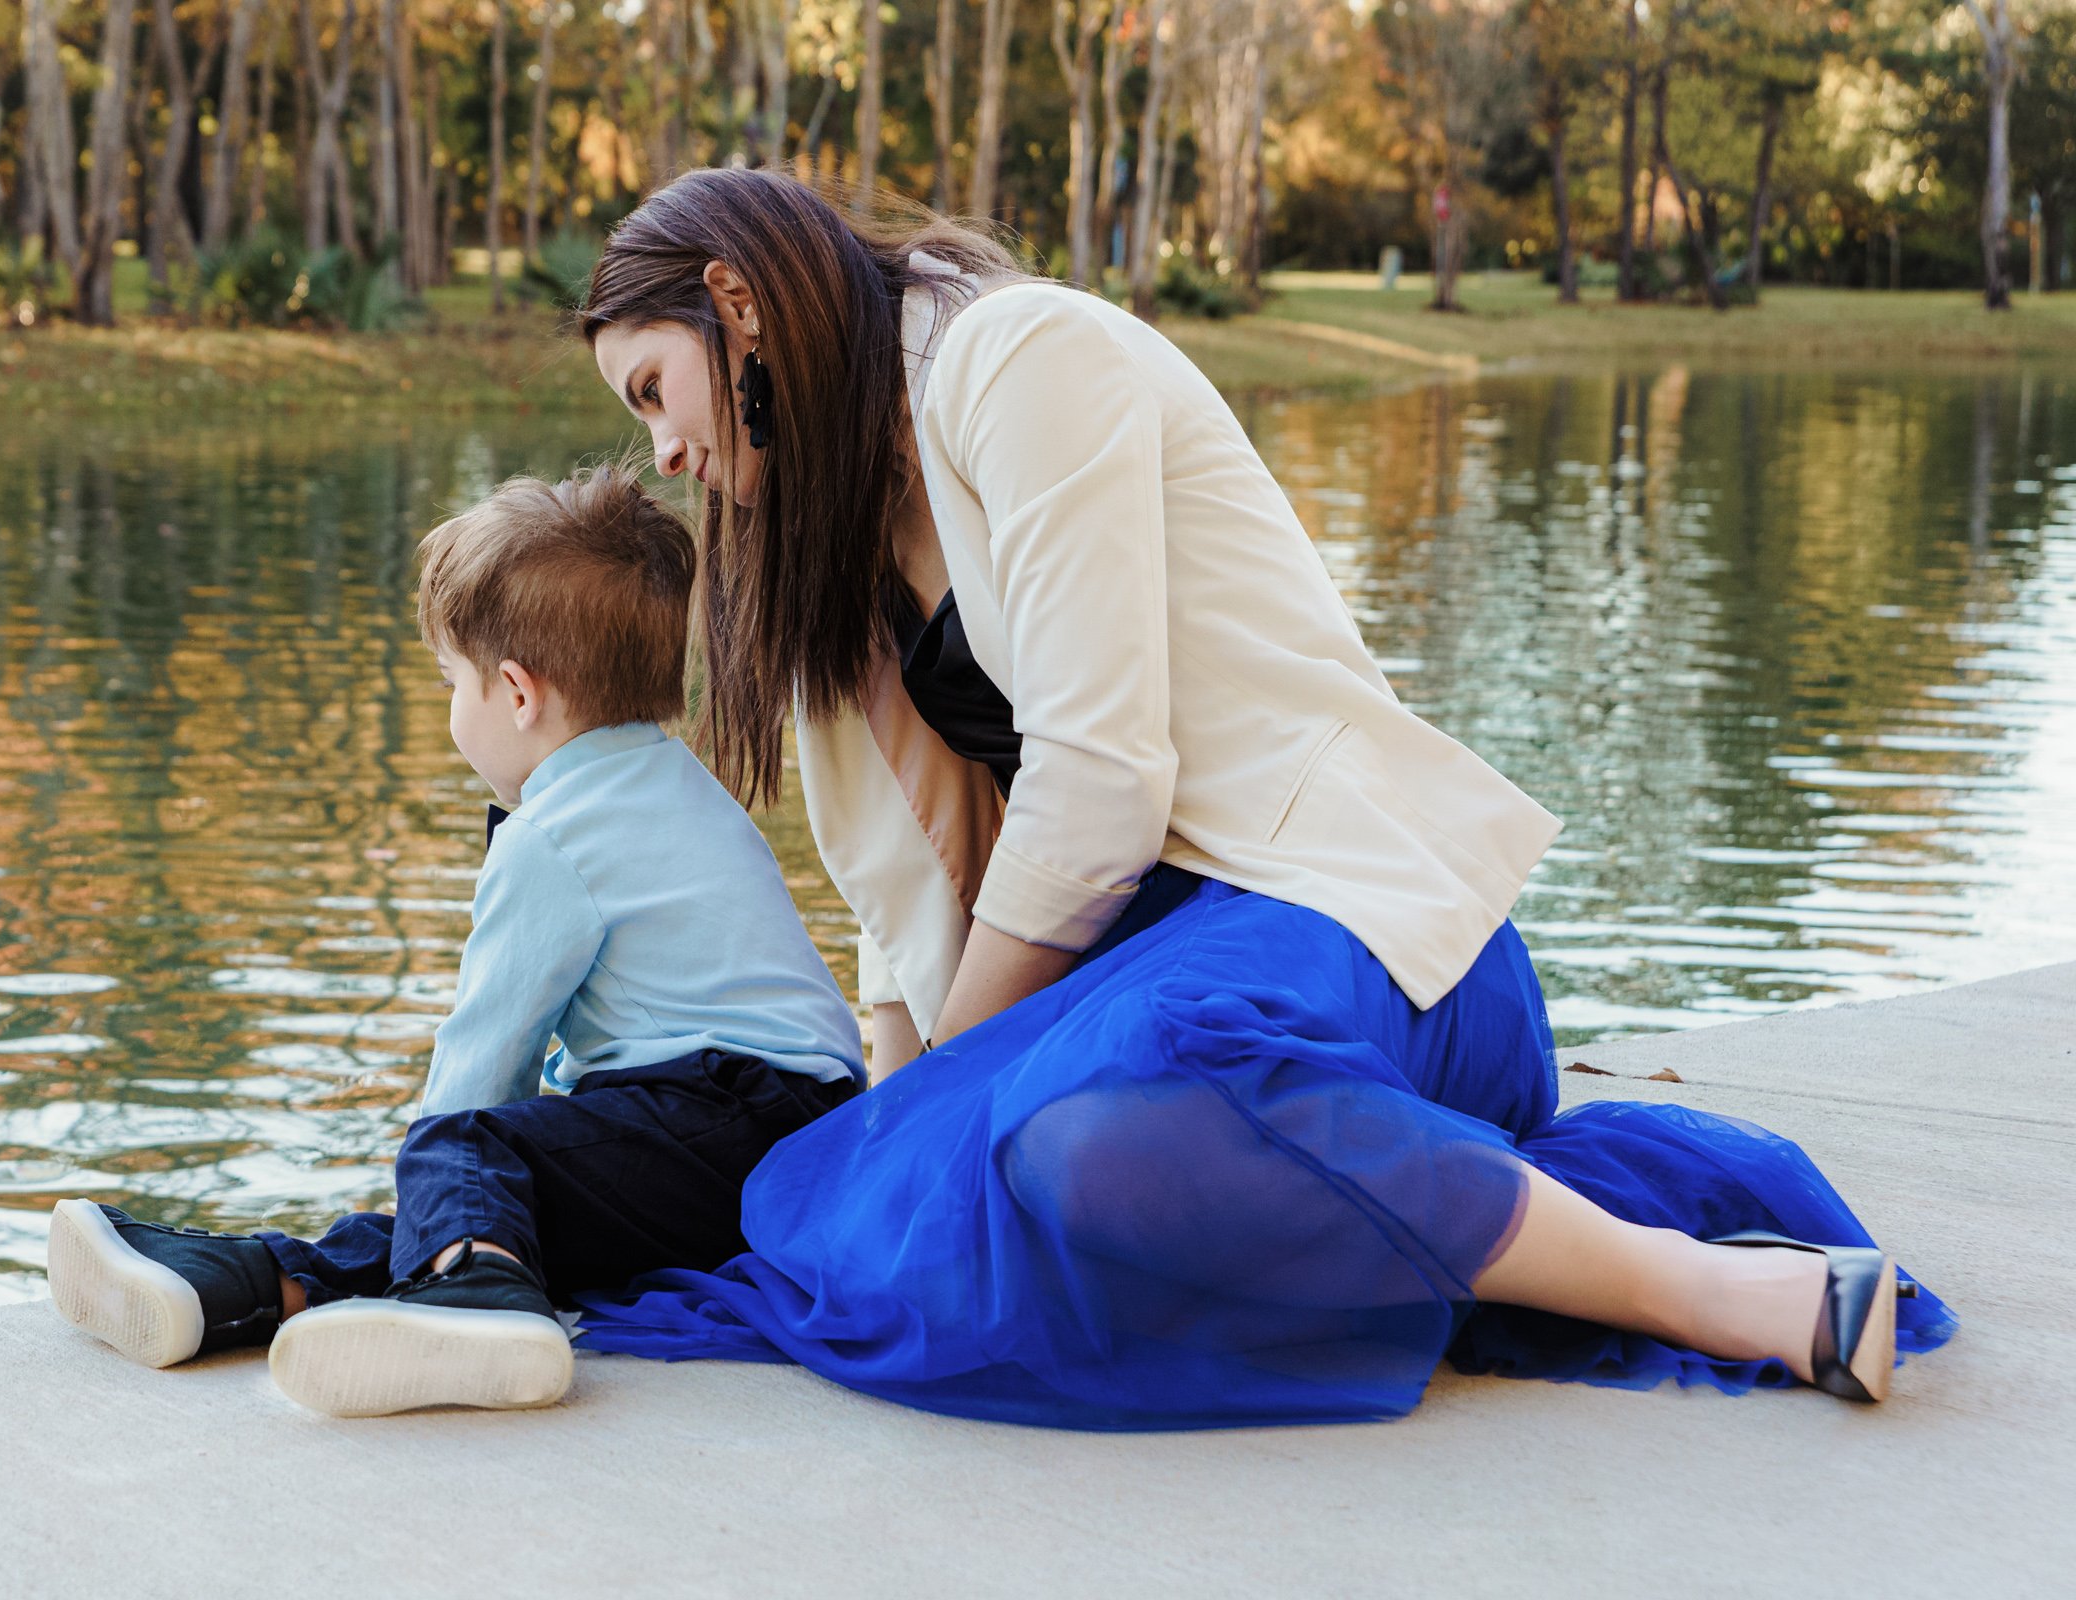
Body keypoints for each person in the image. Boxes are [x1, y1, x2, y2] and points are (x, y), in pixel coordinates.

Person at [571, 167, 1956, 1430]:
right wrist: (902, 1122)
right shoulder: (821, 542)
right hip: (1126, 984)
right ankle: (1451, 1214)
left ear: (738, 308)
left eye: (651, 392)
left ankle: (1709, 1289)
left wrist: (952, 1092)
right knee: (837, 1197)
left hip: (1344, 926)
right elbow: (895, 899)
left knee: (1079, 1142)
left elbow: (1103, 784)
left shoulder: (1015, 357)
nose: (663, 454)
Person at [45, 465, 865, 1417]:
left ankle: (478, 1310)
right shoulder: (679, 790)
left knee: (459, 1154)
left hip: (729, 1113)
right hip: (796, 1140)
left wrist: (441, 1160)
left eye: (452, 683)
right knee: (487, 1200)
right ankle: (235, 1284)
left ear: (516, 693)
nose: (452, 710)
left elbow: (482, 1065)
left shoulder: (554, 836)